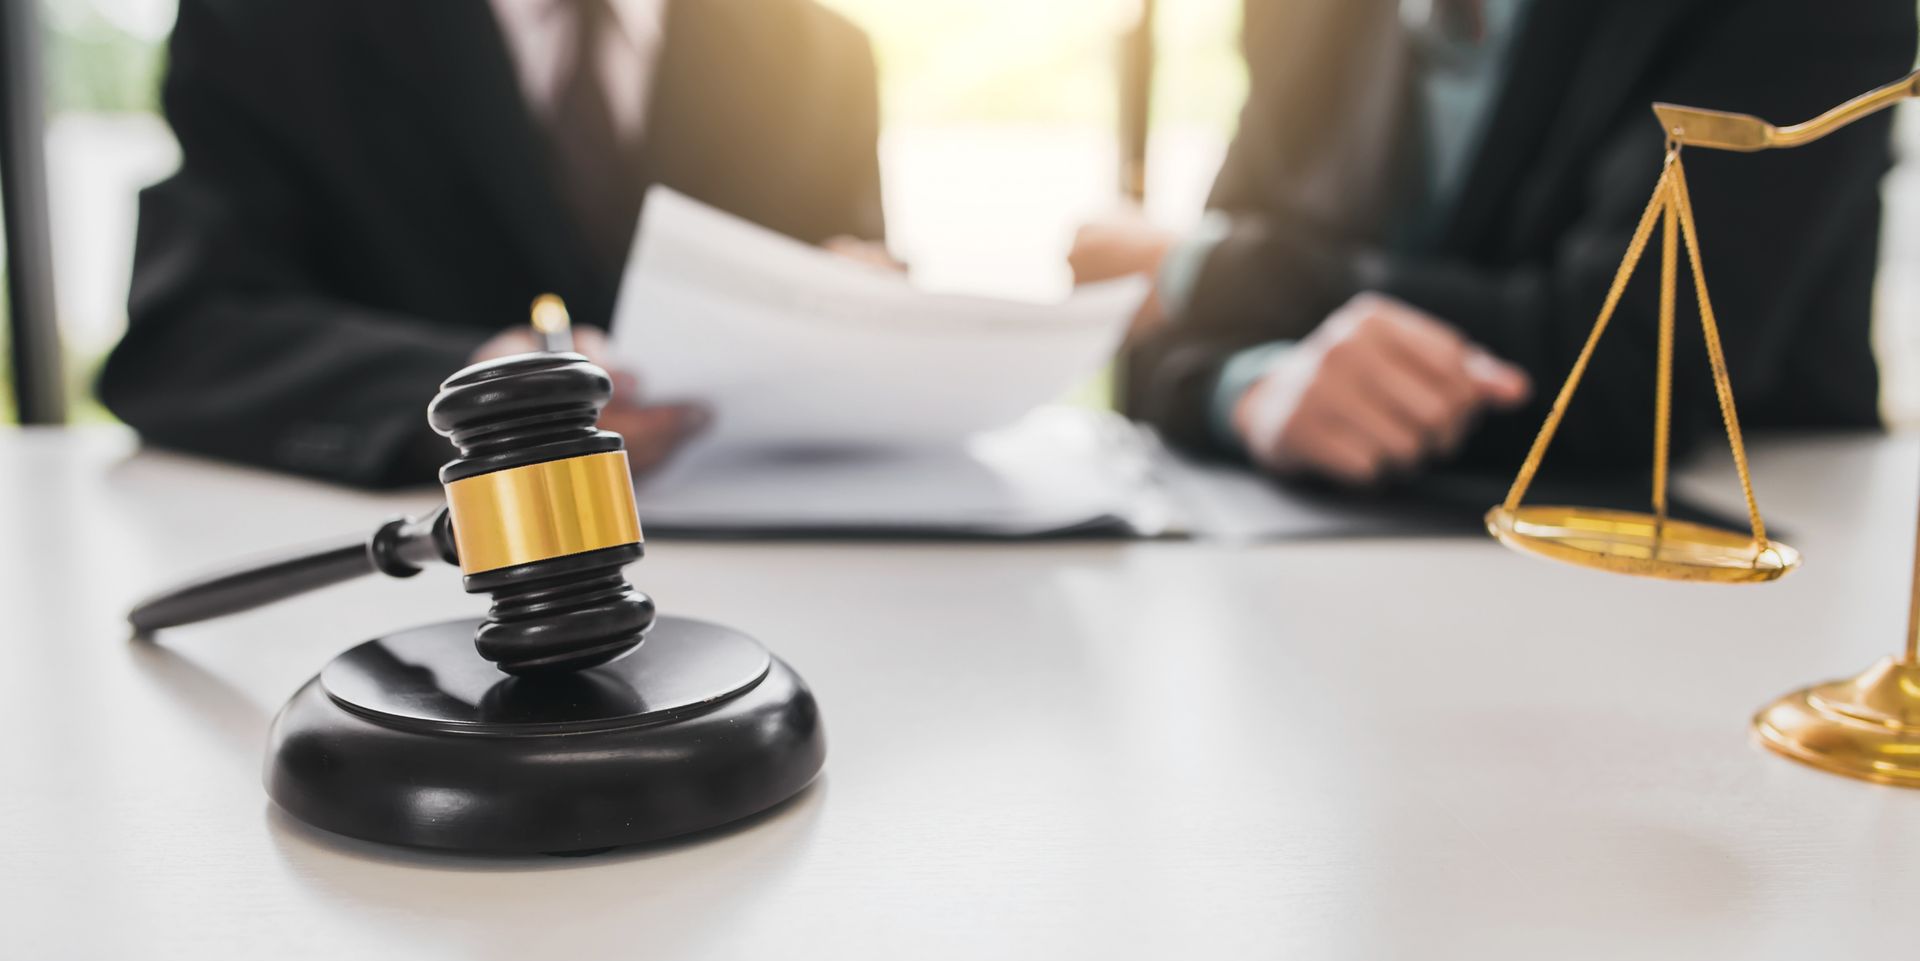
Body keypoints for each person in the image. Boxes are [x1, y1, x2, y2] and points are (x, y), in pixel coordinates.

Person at [1073, 0, 1917, 485]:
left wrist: (1206, 267)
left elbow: (1631, 365)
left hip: (1734, 590)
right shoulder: (1308, 15)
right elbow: (1161, 346)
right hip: (1348, 590)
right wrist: (1251, 391)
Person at [100, 0, 887, 487]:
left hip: (781, 577)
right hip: (423, 577)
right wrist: (472, 391)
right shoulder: (269, 20)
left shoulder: (819, 55)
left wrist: (869, 312)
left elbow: (860, 297)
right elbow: (185, 341)